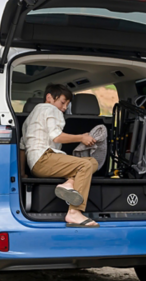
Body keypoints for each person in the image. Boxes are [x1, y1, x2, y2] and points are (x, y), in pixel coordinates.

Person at [20, 84, 100, 228]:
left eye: (67, 105)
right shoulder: (50, 108)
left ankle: (69, 183)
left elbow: (22, 148)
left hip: (37, 164)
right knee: (85, 165)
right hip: (44, 158)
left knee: (93, 161)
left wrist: (23, 173)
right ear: (49, 97)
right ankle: (74, 212)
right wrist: (81, 137)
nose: (64, 108)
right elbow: (56, 137)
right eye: (63, 102)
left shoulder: (28, 119)